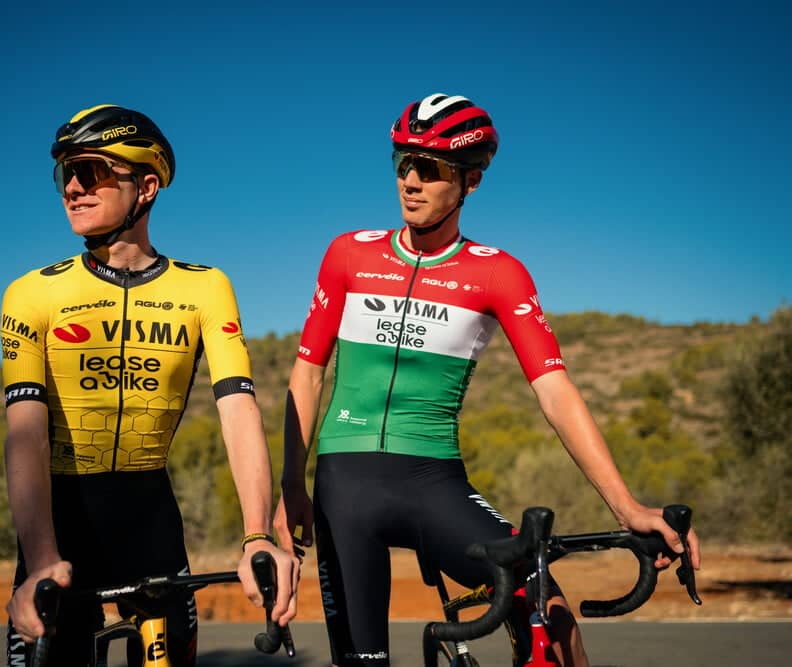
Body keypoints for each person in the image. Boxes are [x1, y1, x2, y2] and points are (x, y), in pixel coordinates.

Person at [273, 93, 702, 667]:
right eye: (403, 163)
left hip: (434, 482)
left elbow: (555, 391)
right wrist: (291, 488)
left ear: (470, 181)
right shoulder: (347, 254)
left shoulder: (497, 272)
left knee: (548, 612)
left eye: (430, 169)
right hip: (343, 486)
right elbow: (307, 374)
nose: (411, 182)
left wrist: (625, 507)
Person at [1, 103, 298, 667]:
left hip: (150, 524)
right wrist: (40, 559)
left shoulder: (205, 288)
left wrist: (257, 535)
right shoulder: (31, 293)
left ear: (146, 186)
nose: (72, 188)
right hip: (58, 530)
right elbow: (25, 435)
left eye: (89, 171)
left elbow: (239, 411)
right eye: (65, 174)